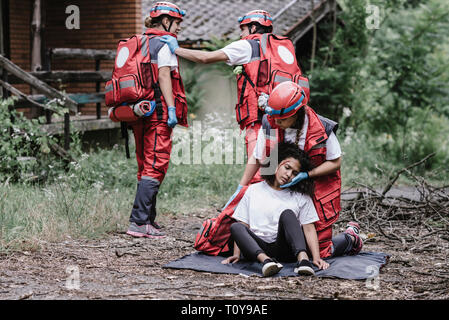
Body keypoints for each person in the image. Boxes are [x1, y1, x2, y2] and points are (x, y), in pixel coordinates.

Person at [160, 10, 308, 189]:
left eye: (243, 29)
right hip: (288, 120)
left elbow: (205, 58)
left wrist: (176, 49)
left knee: (259, 172)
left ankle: (252, 212)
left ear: (253, 27)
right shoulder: (283, 48)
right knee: (278, 171)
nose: (240, 34)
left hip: (261, 120)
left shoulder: (248, 46)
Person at [229, 80, 363, 259]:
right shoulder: (270, 123)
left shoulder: (322, 128)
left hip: (313, 188)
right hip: (281, 188)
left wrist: (306, 175)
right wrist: (241, 187)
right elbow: (257, 157)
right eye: (275, 117)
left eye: (282, 119)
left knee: (319, 251)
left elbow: (335, 162)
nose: (277, 122)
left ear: (297, 113)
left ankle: (350, 238)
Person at [222, 141, 362, 277]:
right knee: (236, 227)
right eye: (287, 168)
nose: (289, 175)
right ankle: (266, 262)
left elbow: (308, 228)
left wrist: (316, 257)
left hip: (285, 249)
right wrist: (236, 254)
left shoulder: (300, 197)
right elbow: (243, 226)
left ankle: (303, 260)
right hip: (257, 249)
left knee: (288, 214)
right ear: (276, 164)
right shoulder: (253, 190)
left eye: (295, 173)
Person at [126, 2, 189, 239]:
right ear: (165, 21)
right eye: (177, 23)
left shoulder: (141, 43)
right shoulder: (164, 44)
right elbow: (164, 75)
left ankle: (148, 220)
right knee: (156, 164)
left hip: (139, 112)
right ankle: (139, 222)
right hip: (158, 113)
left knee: (145, 164)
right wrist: (172, 109)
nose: (179, 28)